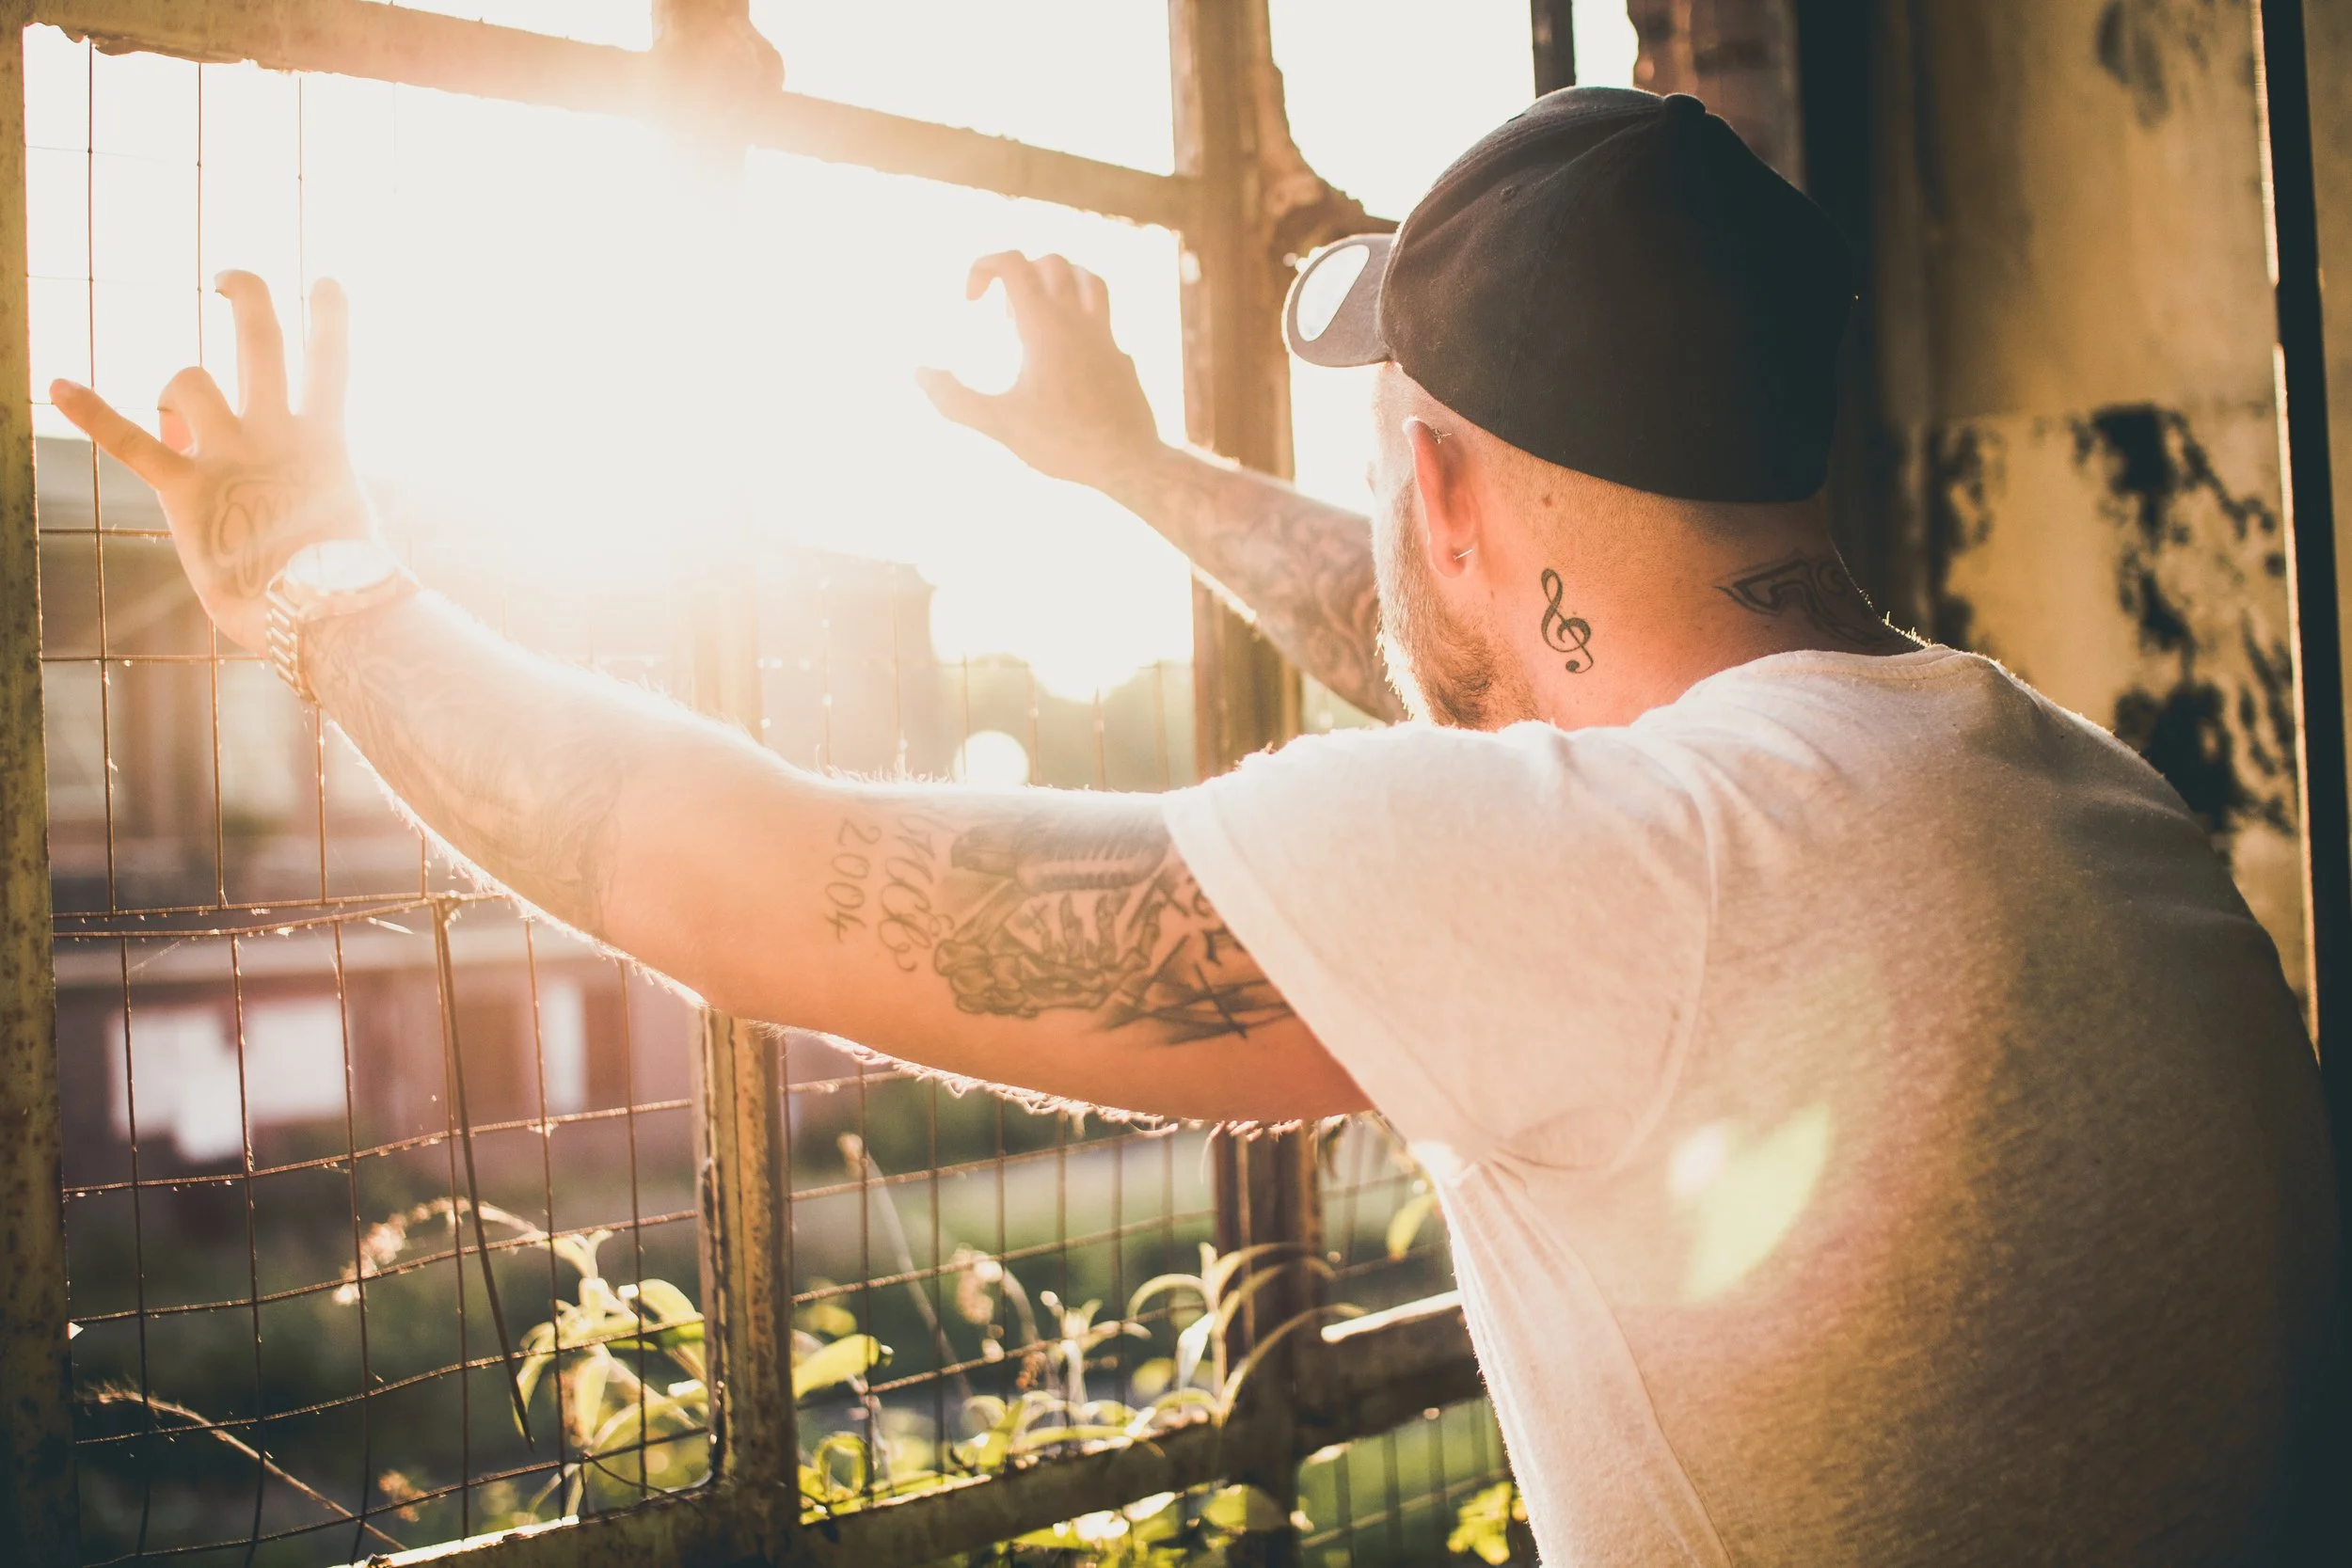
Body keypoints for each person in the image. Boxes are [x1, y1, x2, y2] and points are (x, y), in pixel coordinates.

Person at [55, 86, 2337, 1565]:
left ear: (1439, 481)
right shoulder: (2038, 778)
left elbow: (737, 881)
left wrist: (312, 588)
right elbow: (1475, 653)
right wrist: (1126, 467)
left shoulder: (1614, 880)